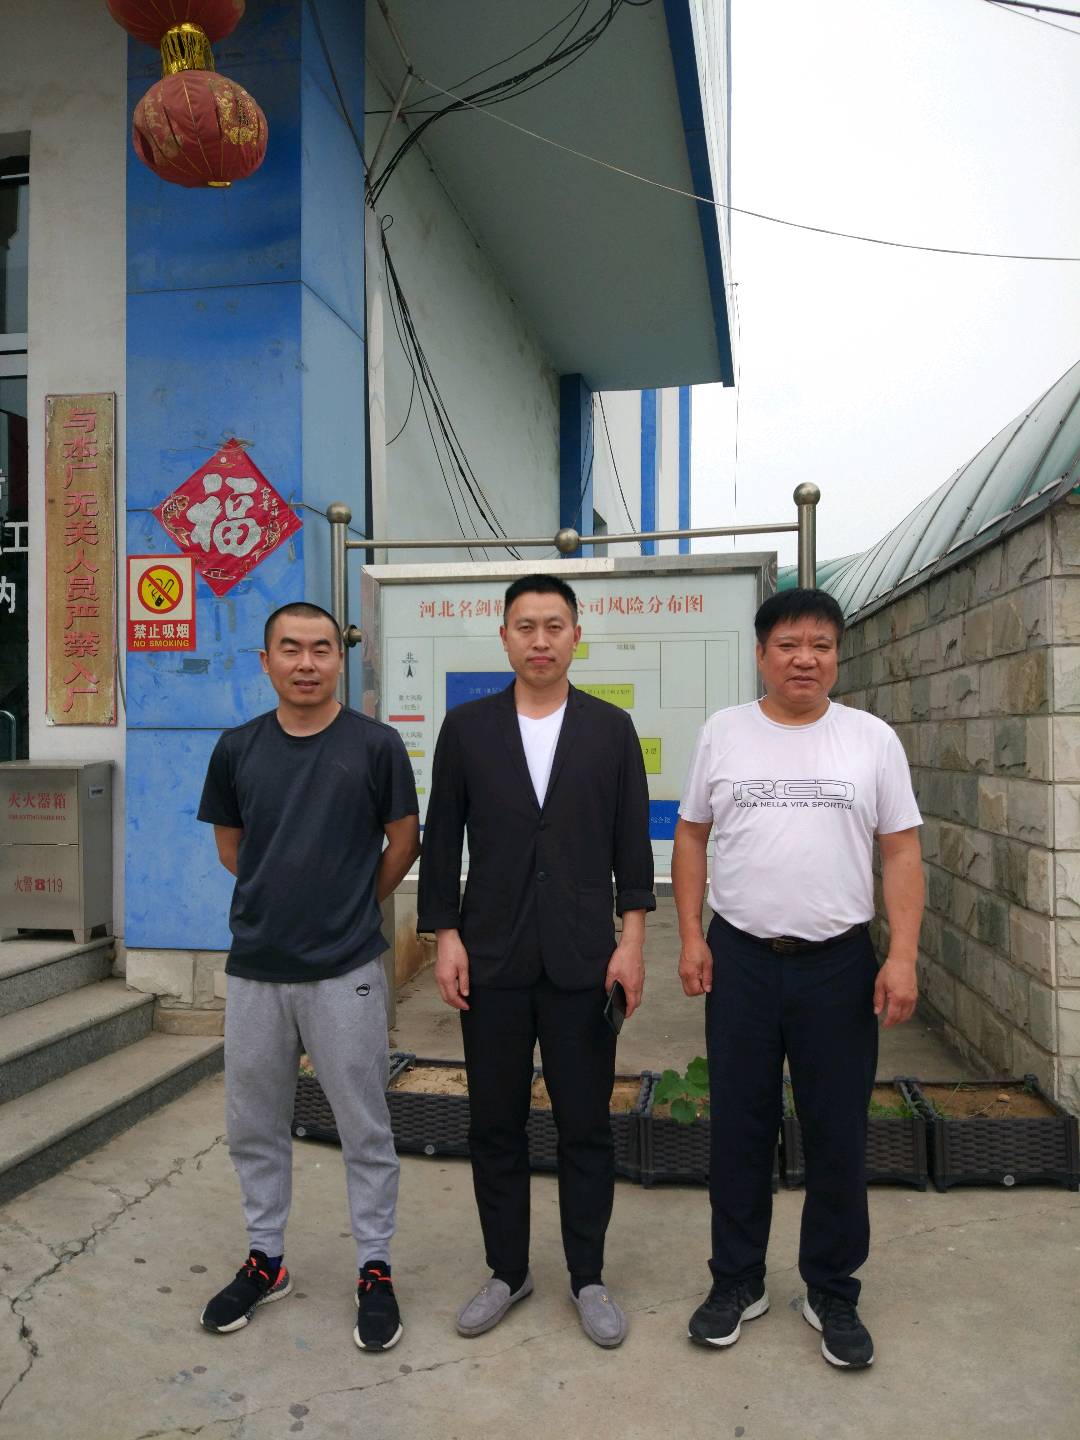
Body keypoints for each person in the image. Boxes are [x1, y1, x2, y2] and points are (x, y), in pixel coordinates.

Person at [672, 587, 923, 1370]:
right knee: (738, 1127)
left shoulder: (871, 740)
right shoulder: (724, 733)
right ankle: (736, 1280)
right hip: (741, 959)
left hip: (838, 964)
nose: (804, 659)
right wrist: (691, 935)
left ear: (837, 655)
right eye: (788, 645)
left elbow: (901, 850)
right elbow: (691, 834)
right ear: (761, 654)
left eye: (820, 645)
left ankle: (832, 1290)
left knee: (837, 1130)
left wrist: (903, 954)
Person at [417, 573, 655, 1348]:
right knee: (496, 1124)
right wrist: (445, 937)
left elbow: (630, 846)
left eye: (555, 625)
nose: (541, 640)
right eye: (526, 626)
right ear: (505, 638)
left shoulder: (610, 730)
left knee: (585, 1125)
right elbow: (442, 839)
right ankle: (507, 1270)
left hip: (585, 960)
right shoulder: (468, 728)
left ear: (576, 635)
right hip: (491, 955)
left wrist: (631, 943)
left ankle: (588, 1276)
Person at [196, 601, 420, 1352]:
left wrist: (351, 904)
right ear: (267, 662)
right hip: (257, 969)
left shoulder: (376, 745)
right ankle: (266, 1259)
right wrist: (281, 898)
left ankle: (375, 1268)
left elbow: (404, 841)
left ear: (339, 658)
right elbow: (233, 849)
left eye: (321, 648)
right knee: (253, 1122)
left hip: (345, 967)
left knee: (364, 1124)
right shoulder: (237, 748)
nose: (306, 662)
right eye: (290, 649)